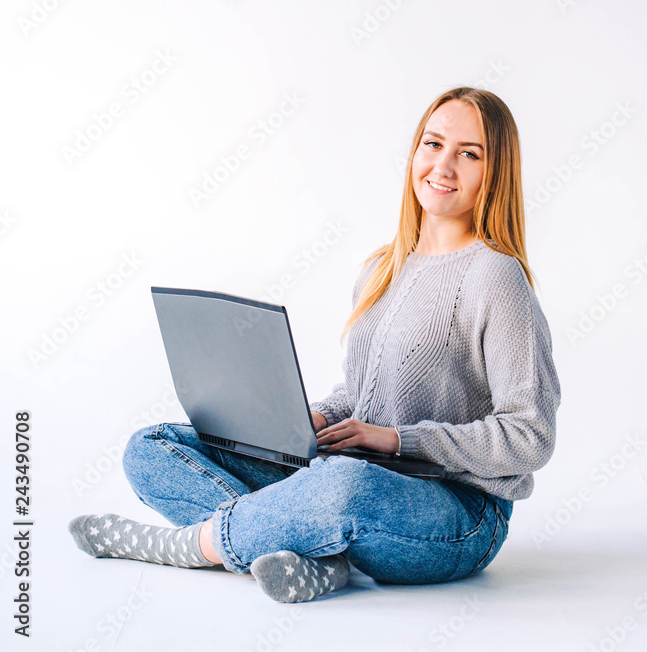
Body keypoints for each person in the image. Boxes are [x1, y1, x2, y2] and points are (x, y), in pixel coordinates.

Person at [68, 86, 561, 604]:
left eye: (469, 153)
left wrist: (398, 440)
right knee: (153, 448)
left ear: (495, 170)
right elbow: (361, 395)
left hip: (456, 513)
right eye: (433, 144)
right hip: (349, 474)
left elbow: (531, 435)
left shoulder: (496, 276)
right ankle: (314, 556)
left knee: (342, 485)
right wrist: (314, 419)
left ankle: (192, 545)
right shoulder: (382, 267)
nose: (443, 165)